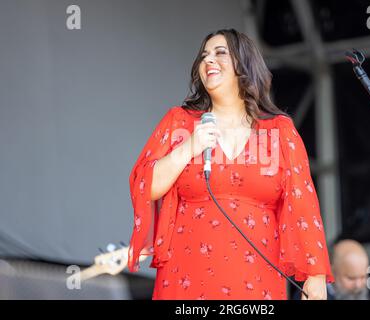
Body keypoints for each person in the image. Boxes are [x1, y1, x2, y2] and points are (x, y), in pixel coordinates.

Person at [127, 28, 334, 300]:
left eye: (220, 53)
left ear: (244, 65)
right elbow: (145, 185)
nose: (208, 61)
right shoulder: (180, 122)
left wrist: (315, 276)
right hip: (188, 276)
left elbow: (303, 205)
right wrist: (190, 146)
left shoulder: (279, 131)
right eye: (204, 56)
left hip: (257, 277)